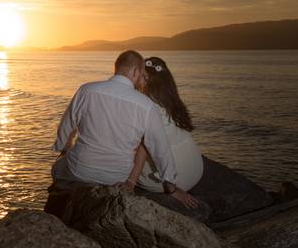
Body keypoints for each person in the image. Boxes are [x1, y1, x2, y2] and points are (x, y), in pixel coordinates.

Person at [51, 50, 198, 208]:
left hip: (80, 170)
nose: (142, 79)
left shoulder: (86, 90)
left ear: (117, 67)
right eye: (142, 73)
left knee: (58, 169)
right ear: (135, 71)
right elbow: (160, 148)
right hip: (116, 177)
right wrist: (171, 186)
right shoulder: (146, 105)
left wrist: (63, 148)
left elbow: (67, 125)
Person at [125, 56, 203, 194]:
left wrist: (131, 181)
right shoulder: (171, 100)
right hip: (195, 170)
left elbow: (144, 147)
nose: (135, 79)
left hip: (175, 180)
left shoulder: (147, 106)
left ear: (148, 81)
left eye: (141, 76)